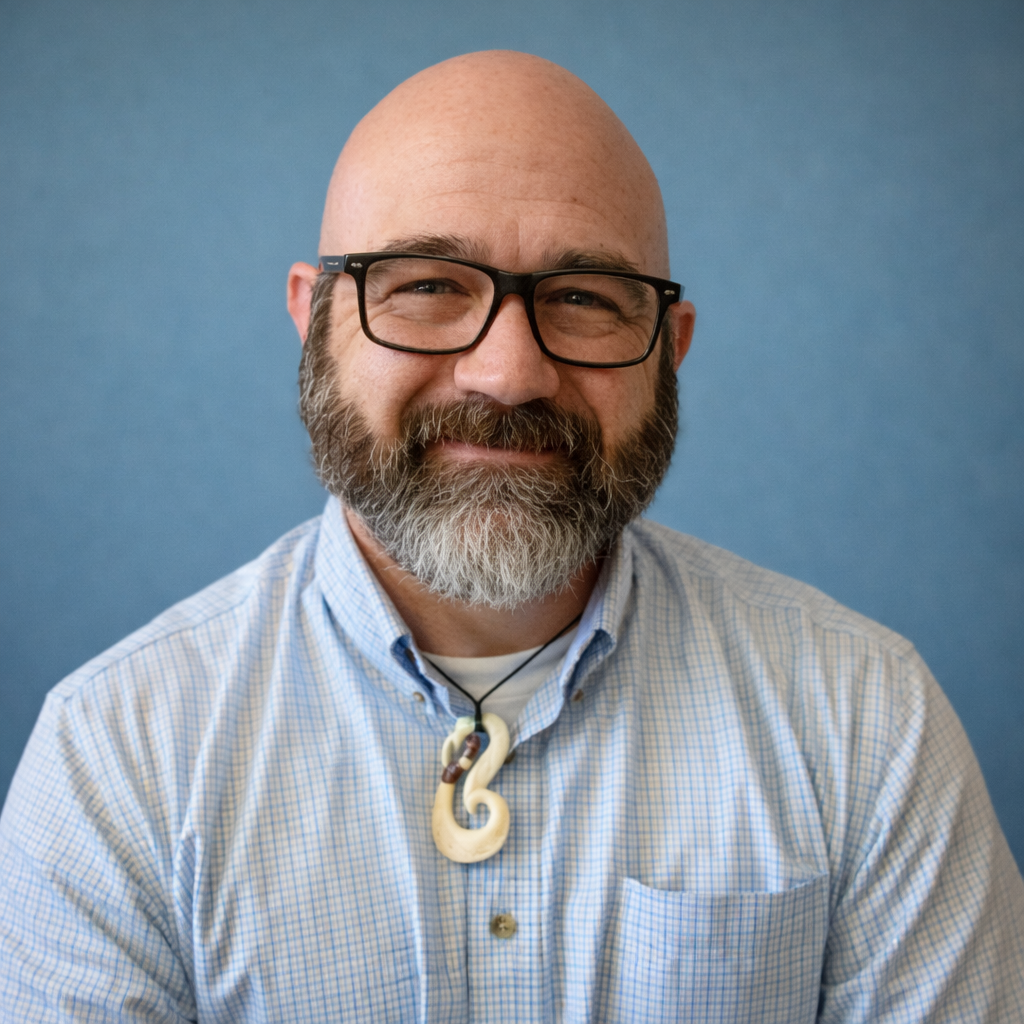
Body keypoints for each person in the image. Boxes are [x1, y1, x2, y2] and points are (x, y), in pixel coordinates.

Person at [1, 50, 1021, 1022]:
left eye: (581, 298)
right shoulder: (115, 762)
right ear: (317, 320)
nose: (507, 374)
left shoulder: (865, 725)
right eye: (430, 286)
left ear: (669, 348)